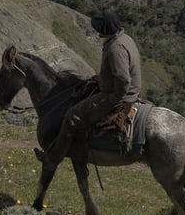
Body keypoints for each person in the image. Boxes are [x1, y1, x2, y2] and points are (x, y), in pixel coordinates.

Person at [38, 10, 142, 171]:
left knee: (71, 116)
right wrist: (102, 78)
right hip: (129, 89)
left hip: (119, 95)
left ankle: (53, 158)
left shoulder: (115, 48)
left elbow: (123, 78)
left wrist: (115, 97)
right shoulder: (125, 39)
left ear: (104, 29)